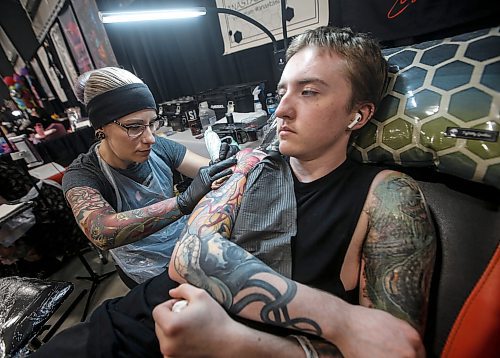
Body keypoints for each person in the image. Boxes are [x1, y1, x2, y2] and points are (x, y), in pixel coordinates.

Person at [34, 27, 435, 357]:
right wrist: (342, 322)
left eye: (308, 92)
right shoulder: (253, 163)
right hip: (135, 318)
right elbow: (187, 255)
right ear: (103, 127)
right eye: (283, 92)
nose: (281, 110)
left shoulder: (387, 196)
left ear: (358, 114)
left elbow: (390, 347)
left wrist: (238, 344)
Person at [61, 67, 237, 287]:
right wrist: (182, 203)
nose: (150, 138)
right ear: (101, 129)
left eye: (152, 123)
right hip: (145, 271)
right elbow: (101, 231)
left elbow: (209, 171)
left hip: (185, 248)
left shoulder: (159, 146)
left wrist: (225, 164)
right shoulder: (83, 174)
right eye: (134, 127)